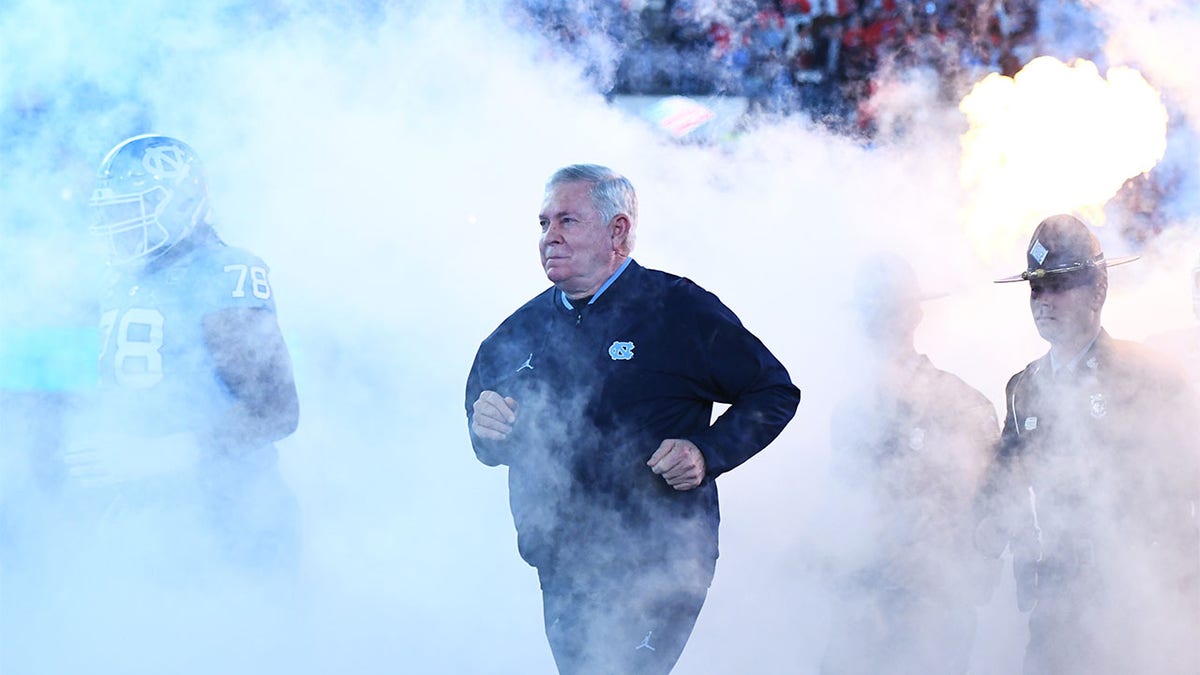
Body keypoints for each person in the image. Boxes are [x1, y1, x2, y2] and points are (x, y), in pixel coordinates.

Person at [465, 164, 801, 674]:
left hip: (660, 558)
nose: (549, 237)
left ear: (617, 230)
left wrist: (708, 452)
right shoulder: (519, 332)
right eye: (543, 224)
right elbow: (490, 436)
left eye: (567, 221)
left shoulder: (678, 309)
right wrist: (485, 432)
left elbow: (774, 391)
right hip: (563, 561)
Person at [62, 133, 300, 572]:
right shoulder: (124, 278)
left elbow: (276, 410)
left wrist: (156, 455)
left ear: (179, 201)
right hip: (158, 519)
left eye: (131, 208)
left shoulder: (224, 272)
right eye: (111, 210)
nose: (119, 223)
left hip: (233, 519)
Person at [978, 214, 1200, 675]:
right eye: (1035, 289)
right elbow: (1002, 487)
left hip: (1141, 606)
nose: (1042, 301)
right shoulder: (1023, 389)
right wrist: (993, 537)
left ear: (1098, 291)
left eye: (1058, 285)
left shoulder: (1150, 378)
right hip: (1057, 608)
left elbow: (1186, 486)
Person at [821, 253, 999, 675]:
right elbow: (845, 510)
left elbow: (991, 515)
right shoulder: (849, 416)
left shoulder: (965, 405)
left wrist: (952, 588)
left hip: (932, 615)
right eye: (872, 312)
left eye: (891, 309)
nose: (880, 322)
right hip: (859, 612)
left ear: (915, 315)